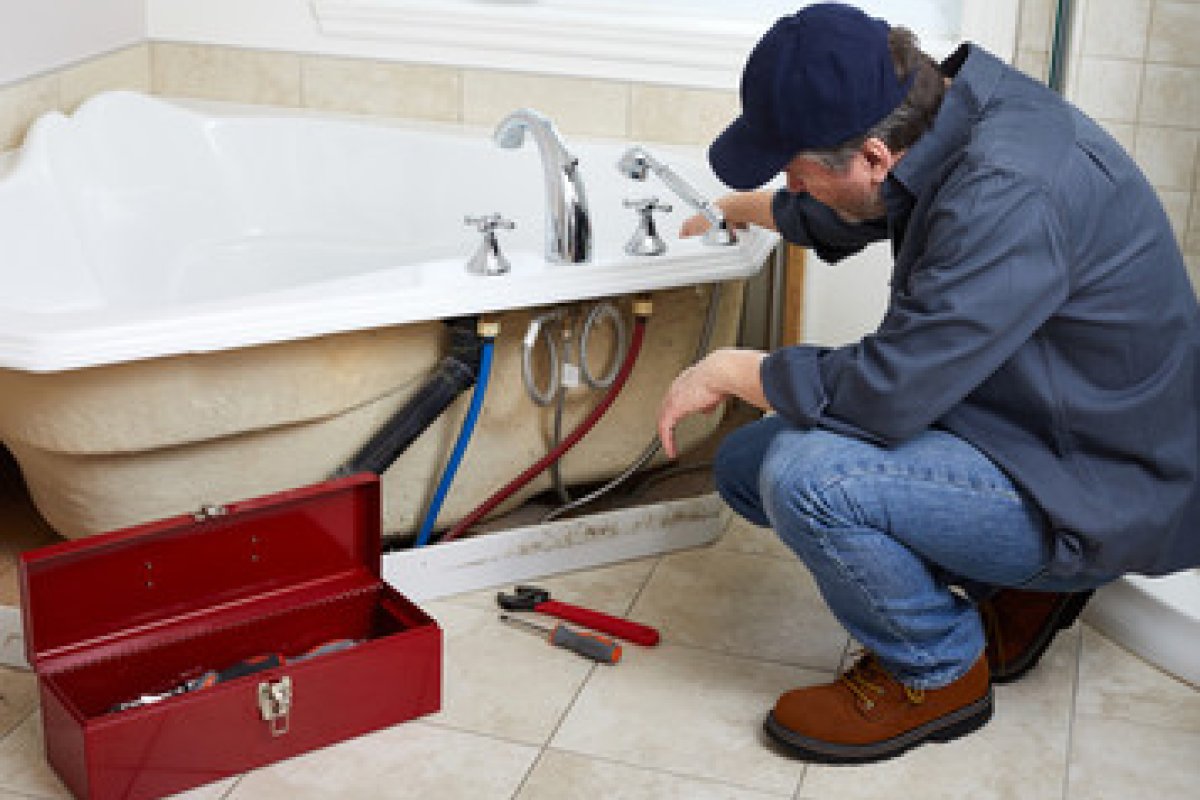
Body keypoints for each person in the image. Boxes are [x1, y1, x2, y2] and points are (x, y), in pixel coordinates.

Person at [659, 2, 1200, 764]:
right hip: (1039, 425)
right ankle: (1021, 584)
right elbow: (873, 206)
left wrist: (732, 368)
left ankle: (938, 670)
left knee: (807, 478)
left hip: (1100, 479)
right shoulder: (953, 106)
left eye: (796, 173)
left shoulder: (1010, 191)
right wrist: (747, 209)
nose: (792, 182)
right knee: (746, 468)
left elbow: (886, 392)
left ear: (874, 154)